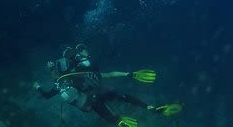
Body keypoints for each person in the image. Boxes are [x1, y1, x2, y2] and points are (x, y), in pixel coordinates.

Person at [34, 44, 182, 127]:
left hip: (91, 101)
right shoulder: (86, 68)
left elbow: (49, 92)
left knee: (109, 116)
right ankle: (152, 108)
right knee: (125, 97)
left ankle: (120, 121)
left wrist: (38, 86)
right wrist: (129, 74)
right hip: (101, 91)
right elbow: (109, 74)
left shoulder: (65, 78)